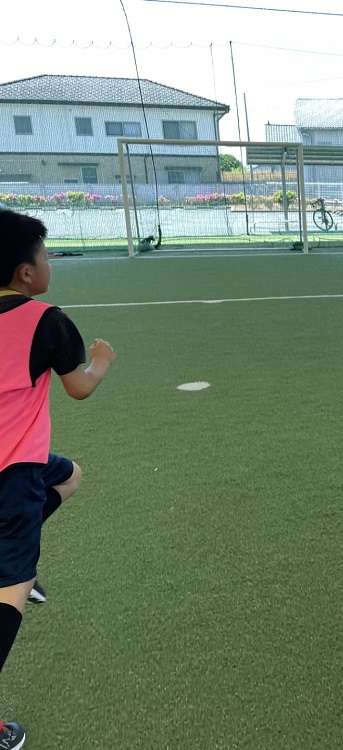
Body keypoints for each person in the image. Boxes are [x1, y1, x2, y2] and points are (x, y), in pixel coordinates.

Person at [0, 209, 117, 748]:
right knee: (12, 587)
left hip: (28, 465)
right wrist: (101, 360)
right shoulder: (45, 320)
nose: (50, 264)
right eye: (46, 256)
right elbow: (79, 387)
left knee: (69, 476)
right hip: (13, 471)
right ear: (26, 272)